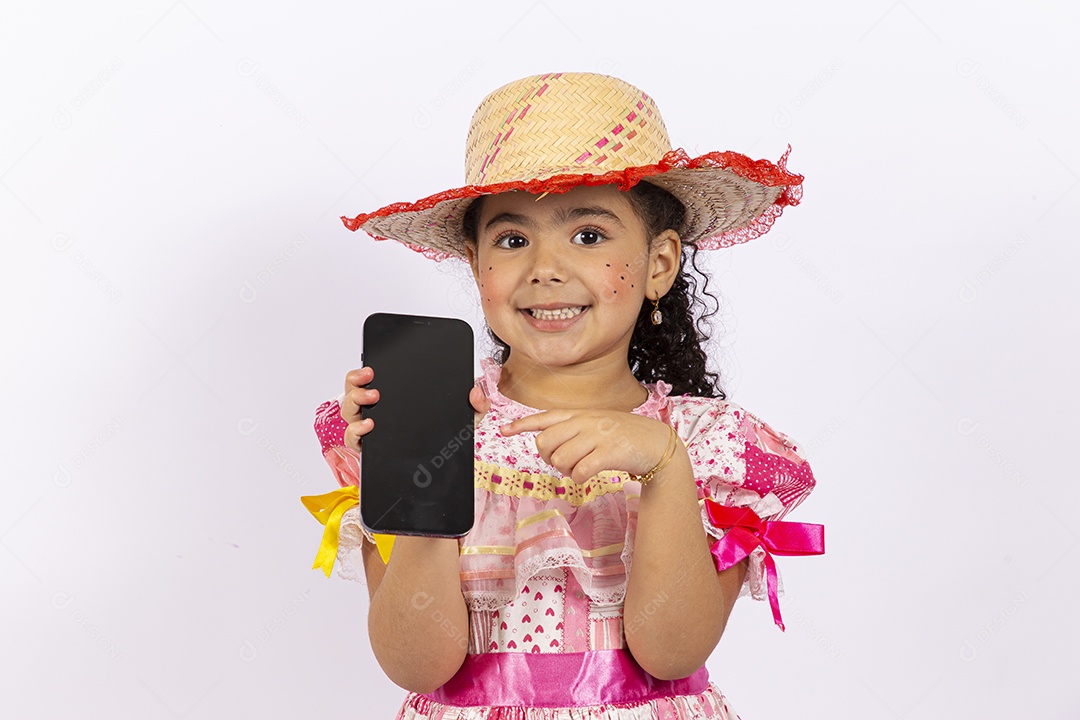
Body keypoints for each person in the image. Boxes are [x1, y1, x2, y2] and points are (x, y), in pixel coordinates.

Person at [302, 72, 824, 719]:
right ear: (475, 265)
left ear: (659, 264)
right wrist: (423, 478)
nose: (545, 267)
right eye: (513, 239)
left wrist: (663, 470)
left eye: (588, 235)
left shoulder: (705, 445)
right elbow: (417, 665)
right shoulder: (435, 426)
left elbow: (671, 654)